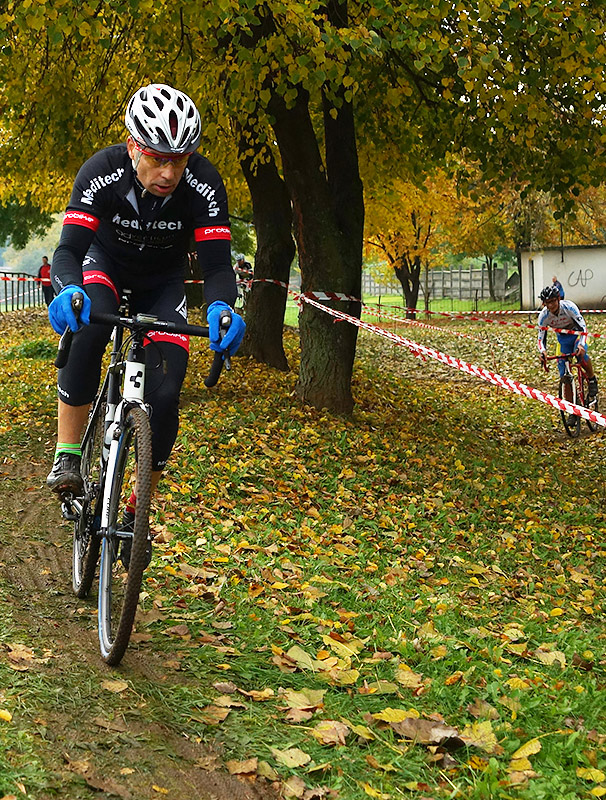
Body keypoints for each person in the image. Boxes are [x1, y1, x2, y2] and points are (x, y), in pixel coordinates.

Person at [46, 83, 246, 520]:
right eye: (157, 158)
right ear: (134, 148)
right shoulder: (102, 170)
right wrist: (67, 288)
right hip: (104, 266)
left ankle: (139, 508)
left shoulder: (205, 183)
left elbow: (216, 268)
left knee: (168, 391)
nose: (169, 173)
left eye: (179, 159)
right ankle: (67, 454)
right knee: (90, 326)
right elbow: (68, 252)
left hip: (163, 282)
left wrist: (222, 307)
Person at [537, 284, 598, 424]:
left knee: (581, 355)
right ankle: (572, 411)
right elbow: (541, 338)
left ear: (558, 299)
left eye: (553, 301)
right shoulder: (543, 316)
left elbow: (583, 328)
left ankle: (592, 378)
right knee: (564, 375)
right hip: (563, 340)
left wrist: (582, 344)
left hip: (578, 335)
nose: (551, 305)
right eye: (547, 303)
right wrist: (543, 351)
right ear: (544, 303)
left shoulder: (569, 307)